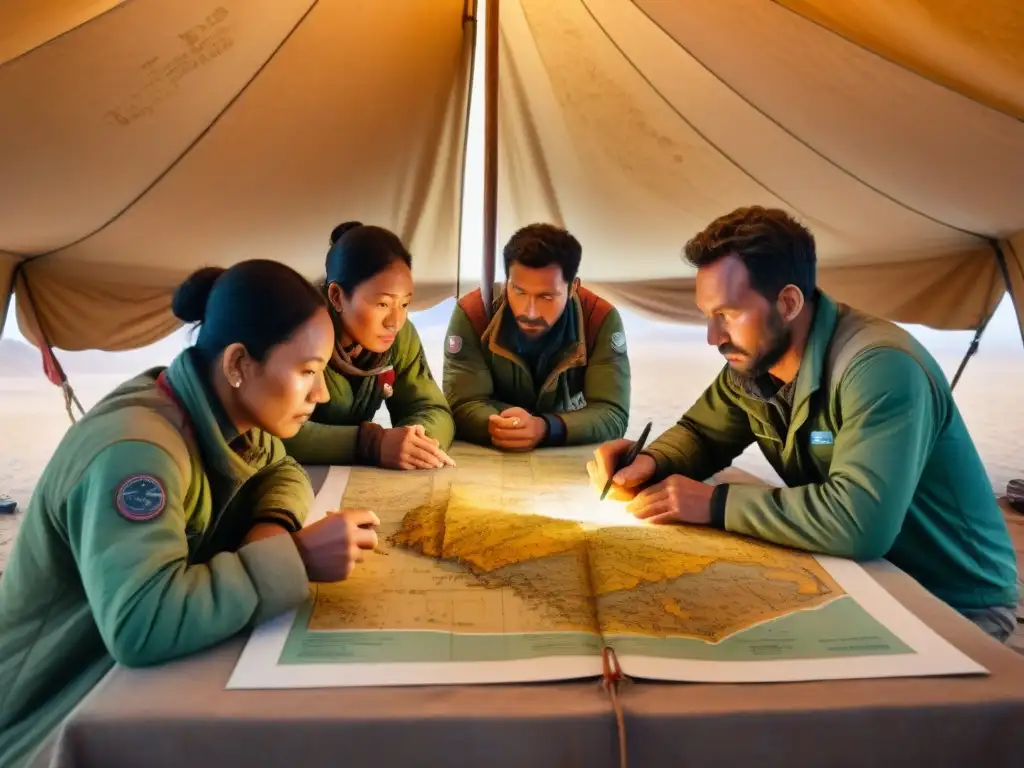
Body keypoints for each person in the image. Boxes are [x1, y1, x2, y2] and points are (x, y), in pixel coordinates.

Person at [0, 261, 380, 768]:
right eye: (308, 372)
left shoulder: (224, 412)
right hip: (49, 717)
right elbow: (143, 622)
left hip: (119, 690)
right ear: (239, 363)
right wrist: (297, 559)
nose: (323, 394)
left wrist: (269, 532)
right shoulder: (137, 451)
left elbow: (282, 471)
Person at [589, 206, 1019, 643]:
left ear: (789, 303)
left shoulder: (880, 367)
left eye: (729, 314)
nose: (713, 337)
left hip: (954, 600)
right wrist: (651, 461)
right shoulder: (755, 362)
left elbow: (859, 523)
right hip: (861, 576)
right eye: (707, 315)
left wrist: (715, 504)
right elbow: (702, 433)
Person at [282, 222, 455, 469]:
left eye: (404, 304)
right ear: (337, 296)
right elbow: (268, 429)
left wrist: (418, 441)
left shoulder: (400, 337)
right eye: (382, 304)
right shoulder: (297, 331)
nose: (395, 322)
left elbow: (430, 407)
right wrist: (371, 444)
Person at [443, 223, 630, 451]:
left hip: (565, 462)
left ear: (573, 288)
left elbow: (612, 414)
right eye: (519, 291)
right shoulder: (474, 313)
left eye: (546, 296)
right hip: (490, 454)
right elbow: (462, 403)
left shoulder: (598, 319)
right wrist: (509, 425)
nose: (529, 312)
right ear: (507, 282)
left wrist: (545, 428)